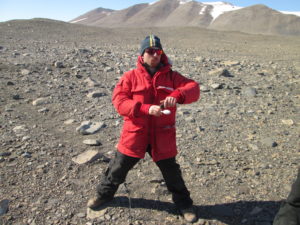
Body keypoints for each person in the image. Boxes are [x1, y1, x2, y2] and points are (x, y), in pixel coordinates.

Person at [87, 35, 200, 223]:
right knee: (118, 167)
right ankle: (104, 195)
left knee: (172, 173)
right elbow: (120, 102)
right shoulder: (130, 77)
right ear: (142, 54)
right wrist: (146, 108)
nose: (154, 55)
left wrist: (178, 94)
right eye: (149, 51)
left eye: (158, 52)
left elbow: (194, 88)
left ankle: (184, 205)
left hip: (162, 135)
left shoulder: (172, 76)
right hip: (135, 134)